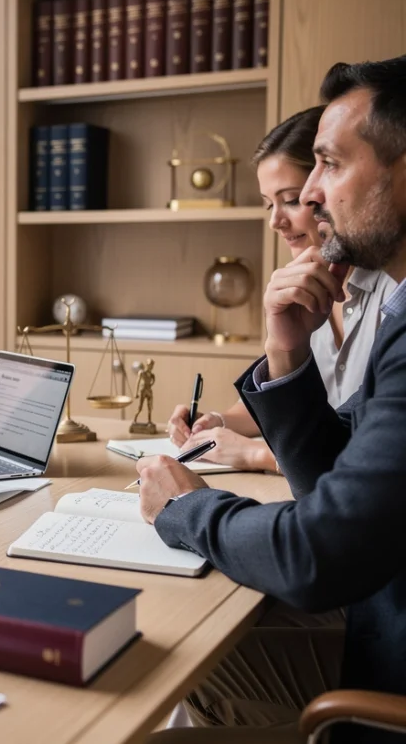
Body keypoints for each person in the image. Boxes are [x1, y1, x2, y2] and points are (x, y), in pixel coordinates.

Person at [144, 55, 406, 744]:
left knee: (154, 671)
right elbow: (337, 489)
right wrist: (287, 354)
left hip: (384, 671)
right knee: (175, 650)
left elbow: (318, 553)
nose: (310, 197)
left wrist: (183, 506)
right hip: (376, 618)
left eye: (329, 165)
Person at [166, 106, 397, 471]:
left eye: (290, 199)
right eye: (268, 203)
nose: (276, 221)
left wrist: (254, 454)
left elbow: (375, 452)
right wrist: (218, 422)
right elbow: (293, 397)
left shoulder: (395, 292)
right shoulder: (300, 283)